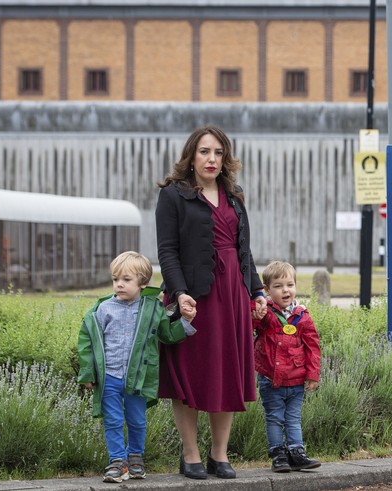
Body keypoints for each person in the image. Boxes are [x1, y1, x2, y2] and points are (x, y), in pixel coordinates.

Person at [155, 125, 268, 480]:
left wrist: (258, 291)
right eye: (204, 152)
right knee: (188, 373)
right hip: (193, 297)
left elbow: (243, 250)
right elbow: (167, 250)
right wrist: (179, 291)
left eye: (218, 153)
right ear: (191, 156)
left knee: (226, 371)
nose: (212, 159)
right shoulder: (173, 196)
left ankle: (220, 455)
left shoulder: (234, 196)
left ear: (226, 159)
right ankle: (190, 455)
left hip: (232, 294)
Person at [77, 251, 196, 483]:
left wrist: (186, 322)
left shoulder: (152, 308)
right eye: (115, 279)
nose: (119, 285)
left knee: (137, 420)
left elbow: (168, 335)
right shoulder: (103, 309)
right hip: (108, 376)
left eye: (126, 280)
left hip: (138, 377)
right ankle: (117, 462)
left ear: (142, 283)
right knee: (111, 420)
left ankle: (135, 458)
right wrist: (88, 372)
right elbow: (87, 341)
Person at [252, 261, 322, 472]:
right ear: (267, 290)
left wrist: (312, 374)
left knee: (293, 418)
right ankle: (278, 454)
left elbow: (312, 346)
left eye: (290, 285)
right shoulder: (266, 313)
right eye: (278, 286)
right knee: (274, 417)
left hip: (296, 379)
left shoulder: (302, 315)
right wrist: (255, 315)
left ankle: (296, 452)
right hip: (271, 378)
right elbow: (250, 327)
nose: (285, 290)